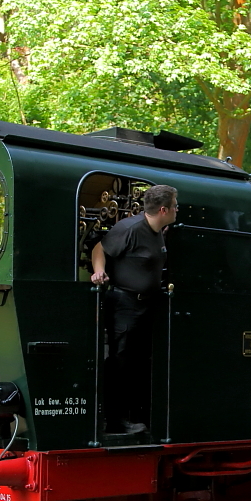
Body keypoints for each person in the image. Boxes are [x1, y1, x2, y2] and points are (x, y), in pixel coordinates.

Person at [90, 184, 179, 435]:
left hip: (146, 304)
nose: (177, 209)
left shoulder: (157, 230)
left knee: (138, 363)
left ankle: (135, 416)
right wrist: (99, 271)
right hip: (125, 304)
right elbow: (99, 248)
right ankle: (114, 421)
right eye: (175, 206)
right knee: (121, 361)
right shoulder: (129, 229)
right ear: (163, 210)